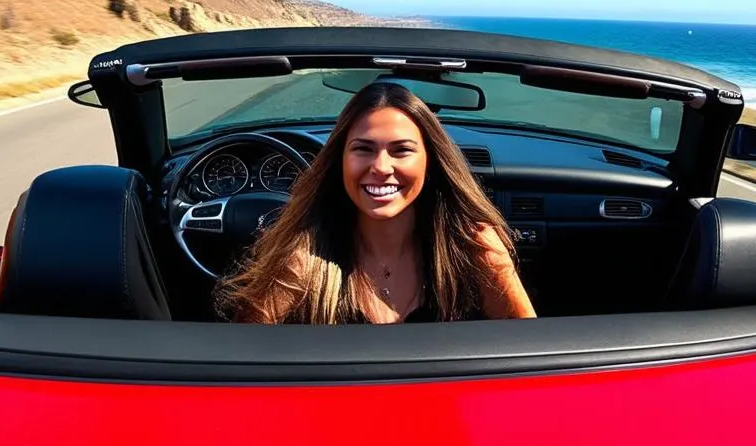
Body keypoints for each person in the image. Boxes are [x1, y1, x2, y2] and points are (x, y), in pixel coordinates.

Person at [216, 81, 536, 324]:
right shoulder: (303, 260)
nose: (381, 167)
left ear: (431, 163)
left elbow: (528, 352)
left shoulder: (474, 247)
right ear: (340, 160)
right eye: (363, 149)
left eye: (401, 150)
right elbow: (243, 365)